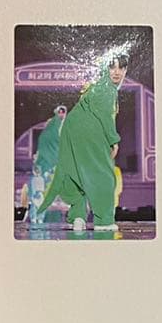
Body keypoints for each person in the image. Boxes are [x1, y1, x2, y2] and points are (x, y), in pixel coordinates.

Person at [39, 54, 128, 231]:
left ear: (126, 70)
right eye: (112, 67)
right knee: (104, 175)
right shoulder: (107, 88)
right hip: (87, 131)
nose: (117, 72)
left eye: (121, 67)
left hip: (71, 129)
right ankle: (103, 222)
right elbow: (105, 116)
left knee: (76, 172)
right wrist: (113, 140)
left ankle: (77, 217)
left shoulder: (97, 86)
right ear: (105, 69)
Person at [28, 105, 67, 225]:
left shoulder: (56, 135)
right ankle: (37, 217)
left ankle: (38, 217)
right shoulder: (47, 135)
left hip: (52, 168)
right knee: (39, 195)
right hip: (46, 169)